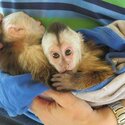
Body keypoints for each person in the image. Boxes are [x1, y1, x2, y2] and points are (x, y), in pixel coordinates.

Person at [1, 0, 125, 125]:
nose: (37, 21)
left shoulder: (82, 52)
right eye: (30, 19)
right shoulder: (27, 54)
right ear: (14, 31)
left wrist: (107, 119)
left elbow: (103, 73)